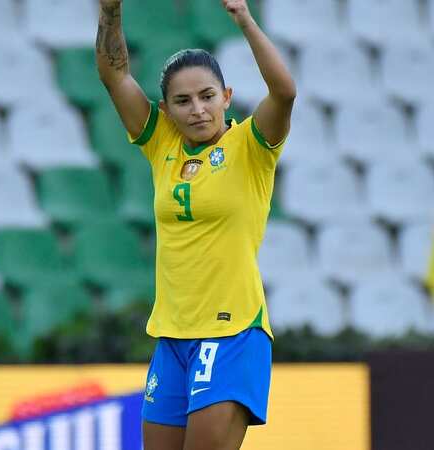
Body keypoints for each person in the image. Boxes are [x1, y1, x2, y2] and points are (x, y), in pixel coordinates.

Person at [95, 0, 295, 448]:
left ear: (226, 97)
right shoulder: (161, 142)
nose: (197, 109)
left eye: (207, 96)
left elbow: (284, 92)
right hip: (172, 337)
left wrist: (245, 20)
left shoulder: (252, 147)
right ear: (165, 109)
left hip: (232, 334)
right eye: (182, 101)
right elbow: (115, 77)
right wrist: (110, 11)